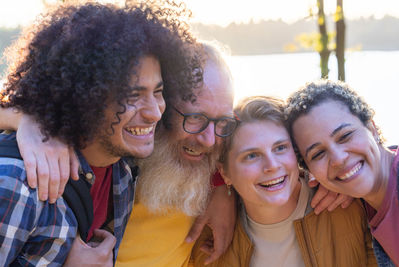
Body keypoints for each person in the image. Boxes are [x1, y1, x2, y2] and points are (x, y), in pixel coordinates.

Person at [0, 44, 352, 266]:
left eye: (222, 122)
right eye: (195, 118)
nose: (211, 139)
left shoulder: (221, 167)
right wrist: (27, 119)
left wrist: (338, 180)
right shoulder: (120, 157)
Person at [0, 1, 201, 266]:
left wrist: (224, 193)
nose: (154, 112)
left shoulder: (123, 167)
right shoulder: (16, 184)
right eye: (132, 95)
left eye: (158, 92)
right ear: (84, 95)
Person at [191, 96, 377, 267]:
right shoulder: (210, 237)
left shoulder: (349, 204)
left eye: (280, 148)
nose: (271, 166)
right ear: (224, 173)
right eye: (252, 155)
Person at [285, 79, 399, 266]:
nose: (338, 159)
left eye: (345, 136)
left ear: (372, 128)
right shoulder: (362, 208)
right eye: (318, 154)